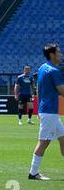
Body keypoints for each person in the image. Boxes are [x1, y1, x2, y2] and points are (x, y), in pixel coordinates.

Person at [29, 43, 64, 181]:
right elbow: (62, 91)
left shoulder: (43, 67)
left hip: (48, 111)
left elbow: (39, 88)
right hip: (49, 112)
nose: (61, 54)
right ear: (52, 55)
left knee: (63, 139)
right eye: (59, 52)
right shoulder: (54, 71)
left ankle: (34, 172)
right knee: (44, 142)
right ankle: (33, 173)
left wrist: (38, 108)